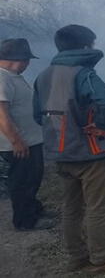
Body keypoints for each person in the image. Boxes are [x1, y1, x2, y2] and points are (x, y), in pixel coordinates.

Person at [33, 25, 105, 273]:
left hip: (60, 152)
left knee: (71, 206)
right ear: (86, 46)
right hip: (88, 154)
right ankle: (100, 260)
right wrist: (102, 125)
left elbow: (38, 115)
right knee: (99, 206)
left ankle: (75, 257)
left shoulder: (43, 76)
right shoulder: (82, 73)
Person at [0, 38, 53, 231]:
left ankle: (33, 210)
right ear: (19, 59)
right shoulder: (1, 77)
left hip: (29, 140)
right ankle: (24, 222)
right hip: (18, 144)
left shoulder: (11, 75)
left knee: (33, 178)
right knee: (22, 182)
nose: (27, 64)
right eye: (27, 60)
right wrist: (16, 141)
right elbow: (1, 114)